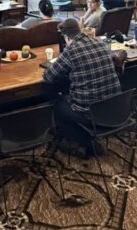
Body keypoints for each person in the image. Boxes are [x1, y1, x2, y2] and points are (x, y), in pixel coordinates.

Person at [43, 18, 123, 155]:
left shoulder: (71, 51)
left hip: (91, 113)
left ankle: (86, 142)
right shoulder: (100, 43)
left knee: (56, 105)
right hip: (114, 106)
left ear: (66, 37)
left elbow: (48, 77)